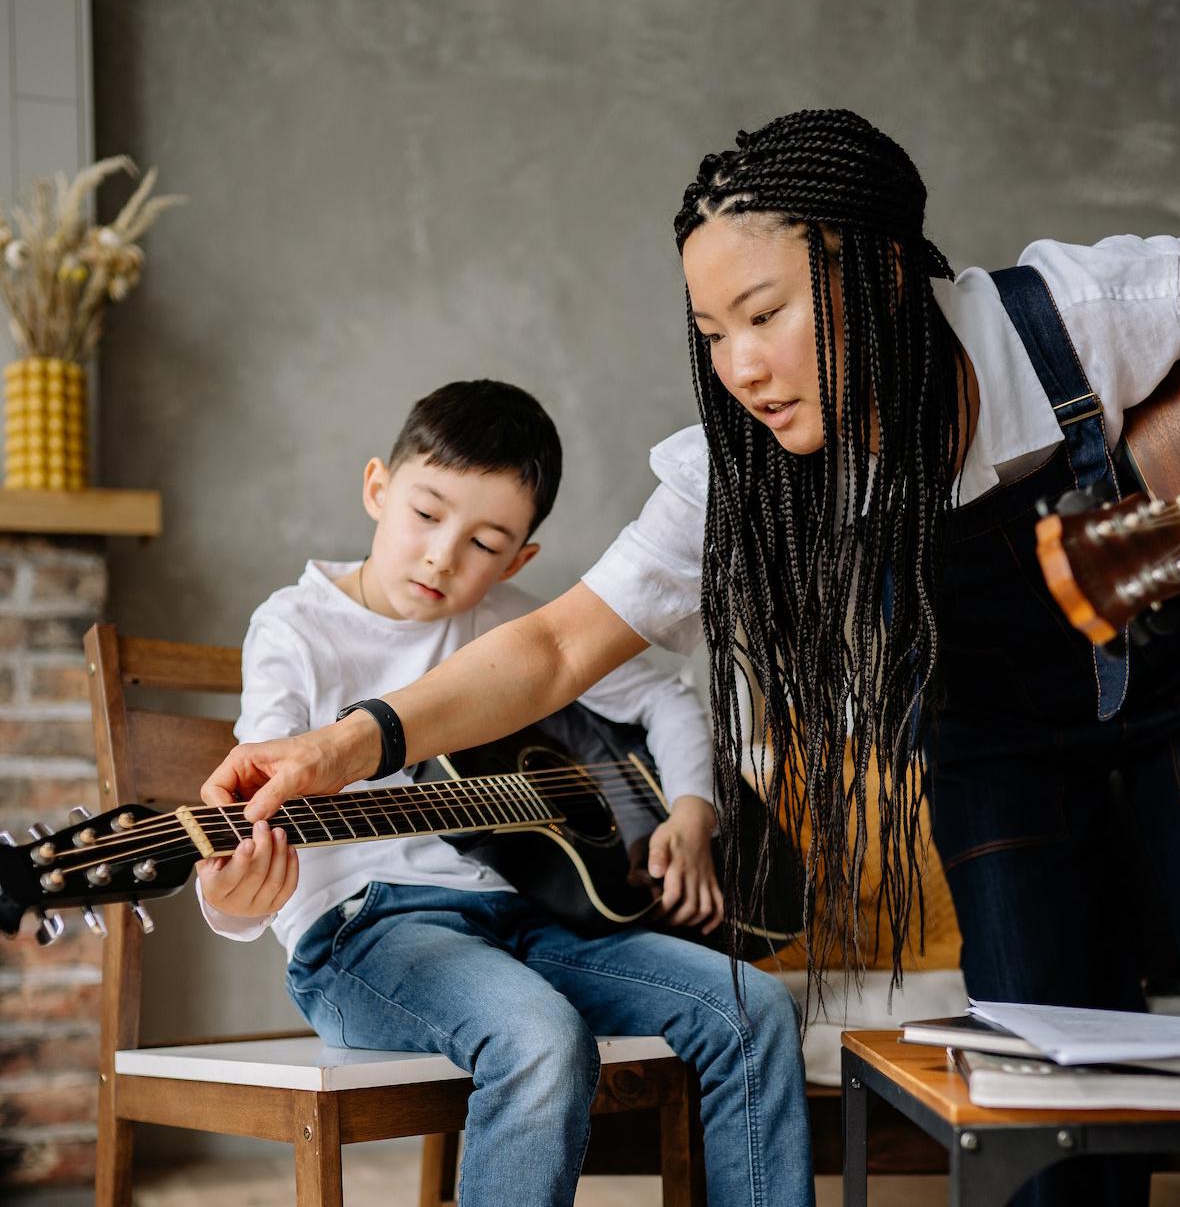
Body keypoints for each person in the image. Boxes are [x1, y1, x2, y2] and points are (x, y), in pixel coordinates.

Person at [204, 111, 1180, 1207]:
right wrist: (347, 743)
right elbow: (558, 643)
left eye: (764, 314)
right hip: (993, 751)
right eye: (712, 332)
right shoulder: (737, 477)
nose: (740, 368)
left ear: (887, 271)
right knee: (1041, 1120)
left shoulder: (1101, 313)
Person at [196, 379, 814, 1207]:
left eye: (486, 542)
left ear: (520, 558)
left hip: (535, 920)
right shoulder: (295, 628)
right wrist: (233, 901)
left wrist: (693, 812)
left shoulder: (512, 628)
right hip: (368, 937)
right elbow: (251, 804)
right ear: (378, 488)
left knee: (756, 1008)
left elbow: (665, 696)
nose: (443, 556)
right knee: (540, 1035)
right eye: (426, 514)